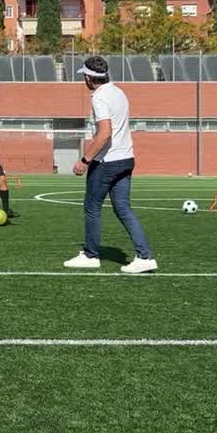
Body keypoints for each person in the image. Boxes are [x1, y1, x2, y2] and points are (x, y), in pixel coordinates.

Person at [64, 55, 156, 274]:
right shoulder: (119, 92)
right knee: (123, 208)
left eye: (84, 76)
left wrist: (84, 160)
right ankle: (145, 257)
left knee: (92, 208)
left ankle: (90, 255)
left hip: (107, 162)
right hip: (126, 159)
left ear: (89, 77)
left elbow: (105, 133)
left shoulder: (99, 97)